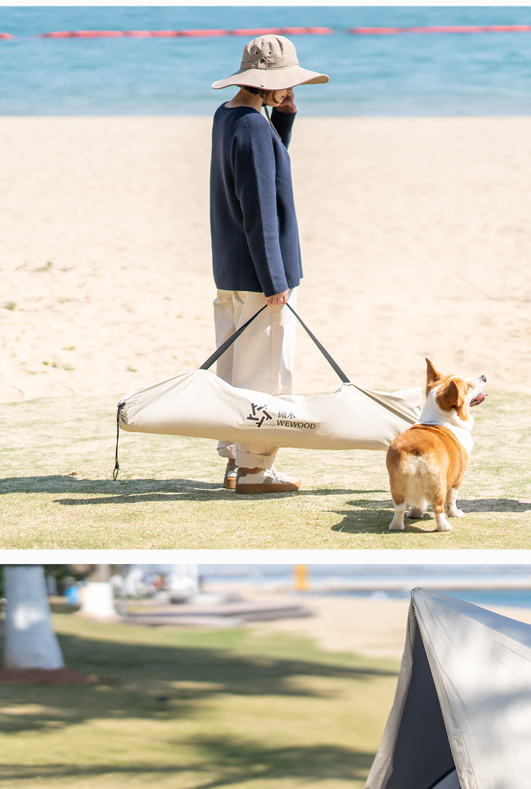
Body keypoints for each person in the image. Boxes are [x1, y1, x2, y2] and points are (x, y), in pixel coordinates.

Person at [209, 35, 328, 494]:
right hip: (261, 275)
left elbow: (261, 169)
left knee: (235, 369)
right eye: (284, 84)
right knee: (266, 373)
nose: (291, 89)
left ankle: (236, 463)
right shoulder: (253, 127)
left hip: (232, 267)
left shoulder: (231, 117)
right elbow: (261, 205)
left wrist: (283, 117)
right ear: (264, 84)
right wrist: (275, 279)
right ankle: (256, 471)